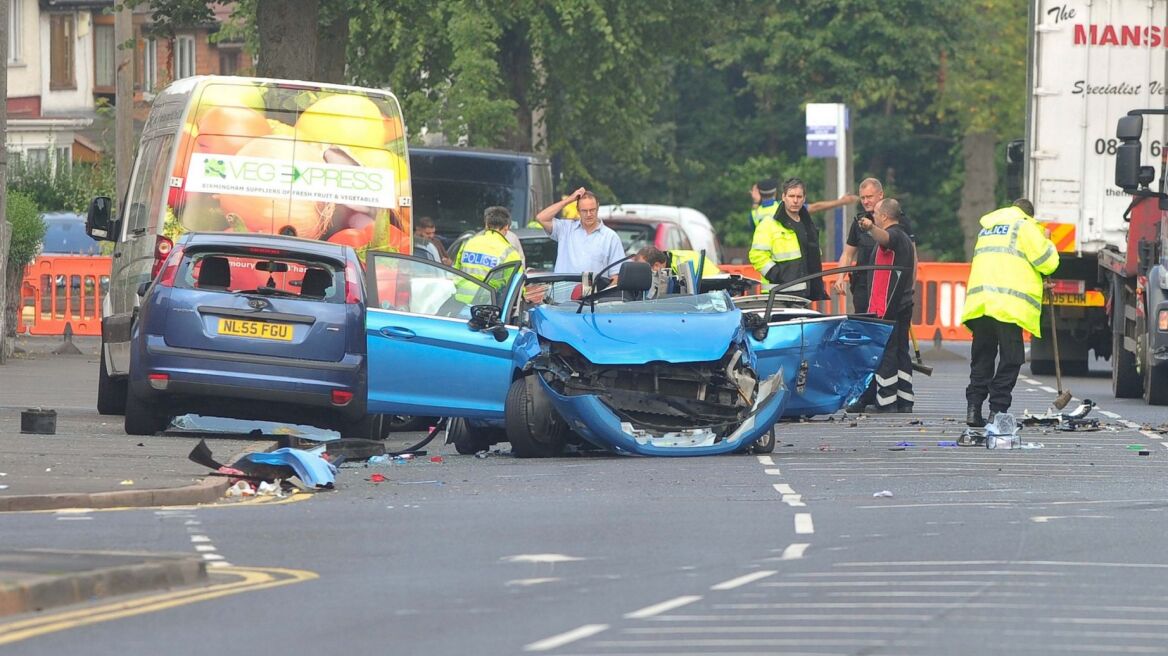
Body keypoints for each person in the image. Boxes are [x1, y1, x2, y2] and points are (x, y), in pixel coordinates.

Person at [961, 198, 1059, 427]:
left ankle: (973, 410)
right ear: (1029, 215)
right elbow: (1048, 263)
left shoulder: (988, 228)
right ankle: (998, 410)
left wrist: (1036, 285)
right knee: (1012, 358)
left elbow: (1007, 266)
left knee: (982, 358)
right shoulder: (1025, 226)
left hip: (981, 304)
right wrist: (1047, 242)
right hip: (1006, 306)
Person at [846, 199, 916, 414]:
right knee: (901, 351)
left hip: (888, 305)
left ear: (884, 216)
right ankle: (905, 399)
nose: (873, 214)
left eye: (876, 212)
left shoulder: (894, 235)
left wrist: (869, 228)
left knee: (886, 351)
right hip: (900, 302)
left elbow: (886, 238)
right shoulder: (904, 237)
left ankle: (886, 400)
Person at [748, 177, 833, 300]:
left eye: (799, 197)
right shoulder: (768, 224)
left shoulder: (808, 224)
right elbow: (756, 255)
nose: (795, 201)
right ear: (783, 197)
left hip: (803, 294)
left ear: (804, 198)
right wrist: (778, 275)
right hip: (777, 295)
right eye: (791, 196)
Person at [534, 187, 626, 279]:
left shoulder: (610, 237)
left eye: (592, 210)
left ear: (598, 208)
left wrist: (605, 293)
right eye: (584, 211)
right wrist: (569, 200)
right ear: (578, 210)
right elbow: (541, 218)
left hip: (595, 292)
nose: (589, 214)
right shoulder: (566, 229)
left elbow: (616, 277)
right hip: (563, 292)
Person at [833, 178, 885, 311]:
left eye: (869, 197)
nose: (866, 201)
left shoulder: (894, 219)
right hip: (863, 285)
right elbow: (847, 254)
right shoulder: (859, 222)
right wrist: (840, 277)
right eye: (862, 198)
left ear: (880, 195)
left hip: (886, 284)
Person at [453, 206, 522, 303]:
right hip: (486, 306)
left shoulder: (468, 243)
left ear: (486, 225)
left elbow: (455, 271)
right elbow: (516, 285)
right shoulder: (510, 253)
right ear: (506, 227)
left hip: (459, 302)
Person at [750, 179, 858, 231]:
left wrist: (755, 201)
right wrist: (841, 201)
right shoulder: (784, 206)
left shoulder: (754, 214)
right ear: (776, 193)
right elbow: (816, 207)